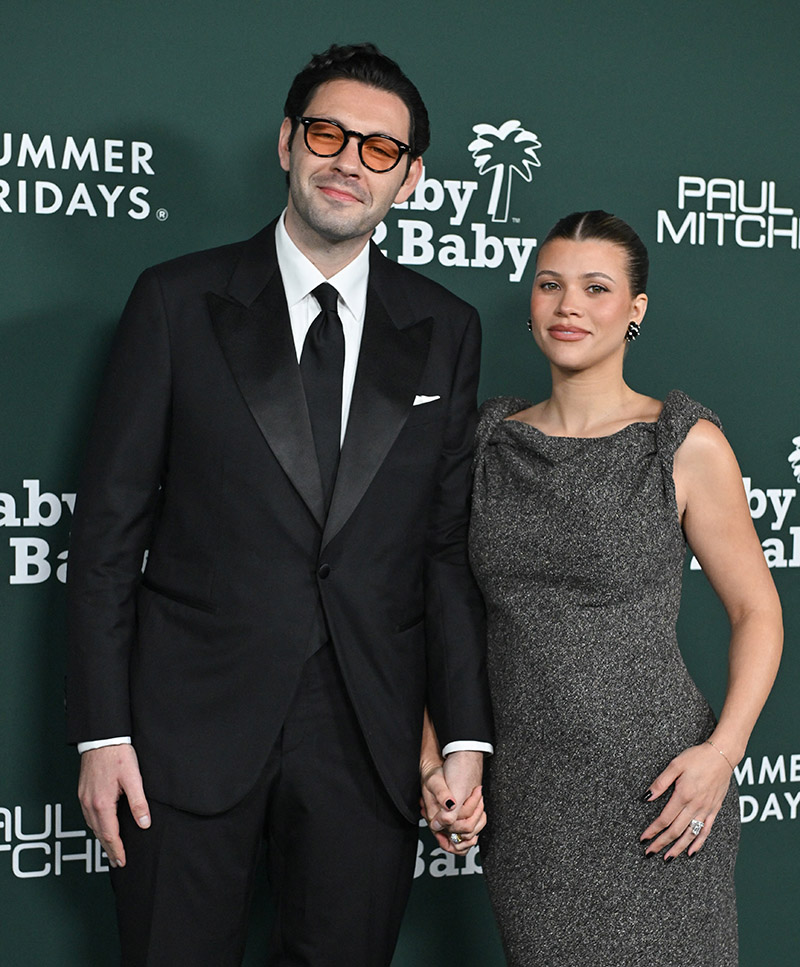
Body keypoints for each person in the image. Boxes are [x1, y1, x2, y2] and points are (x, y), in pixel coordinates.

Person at [66, 42, 492, 967]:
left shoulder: (448, 328)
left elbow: (444, 551)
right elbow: (106, 536)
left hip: (368, 736)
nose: (350, 162)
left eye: (380, 149)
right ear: (288, 143)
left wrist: (463, 734)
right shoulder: (176, 301)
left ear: (411, 178)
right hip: (182, 731)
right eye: (328, 134)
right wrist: (103, 731)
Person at [467, 210, 782, 966]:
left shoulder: (681, 442)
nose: (568, 306)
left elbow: (757, 610)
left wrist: (723, 753)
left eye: (596, 288)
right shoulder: (487, 441)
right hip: (531, 803)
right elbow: (439, 614)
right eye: (550, 285)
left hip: (659, 793)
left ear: (635, 309)